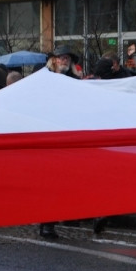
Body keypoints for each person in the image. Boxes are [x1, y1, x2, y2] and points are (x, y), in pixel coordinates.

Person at [39, 44, 82, 239]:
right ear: (54, 59)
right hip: (48, 137)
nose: (64, 61)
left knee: (68, 179)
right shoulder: (43, 79)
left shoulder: (75, 82)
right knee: (49, 182)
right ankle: (47, 223)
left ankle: (68, 214)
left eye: (67, 58)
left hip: (69, 136)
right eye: (61, 57)